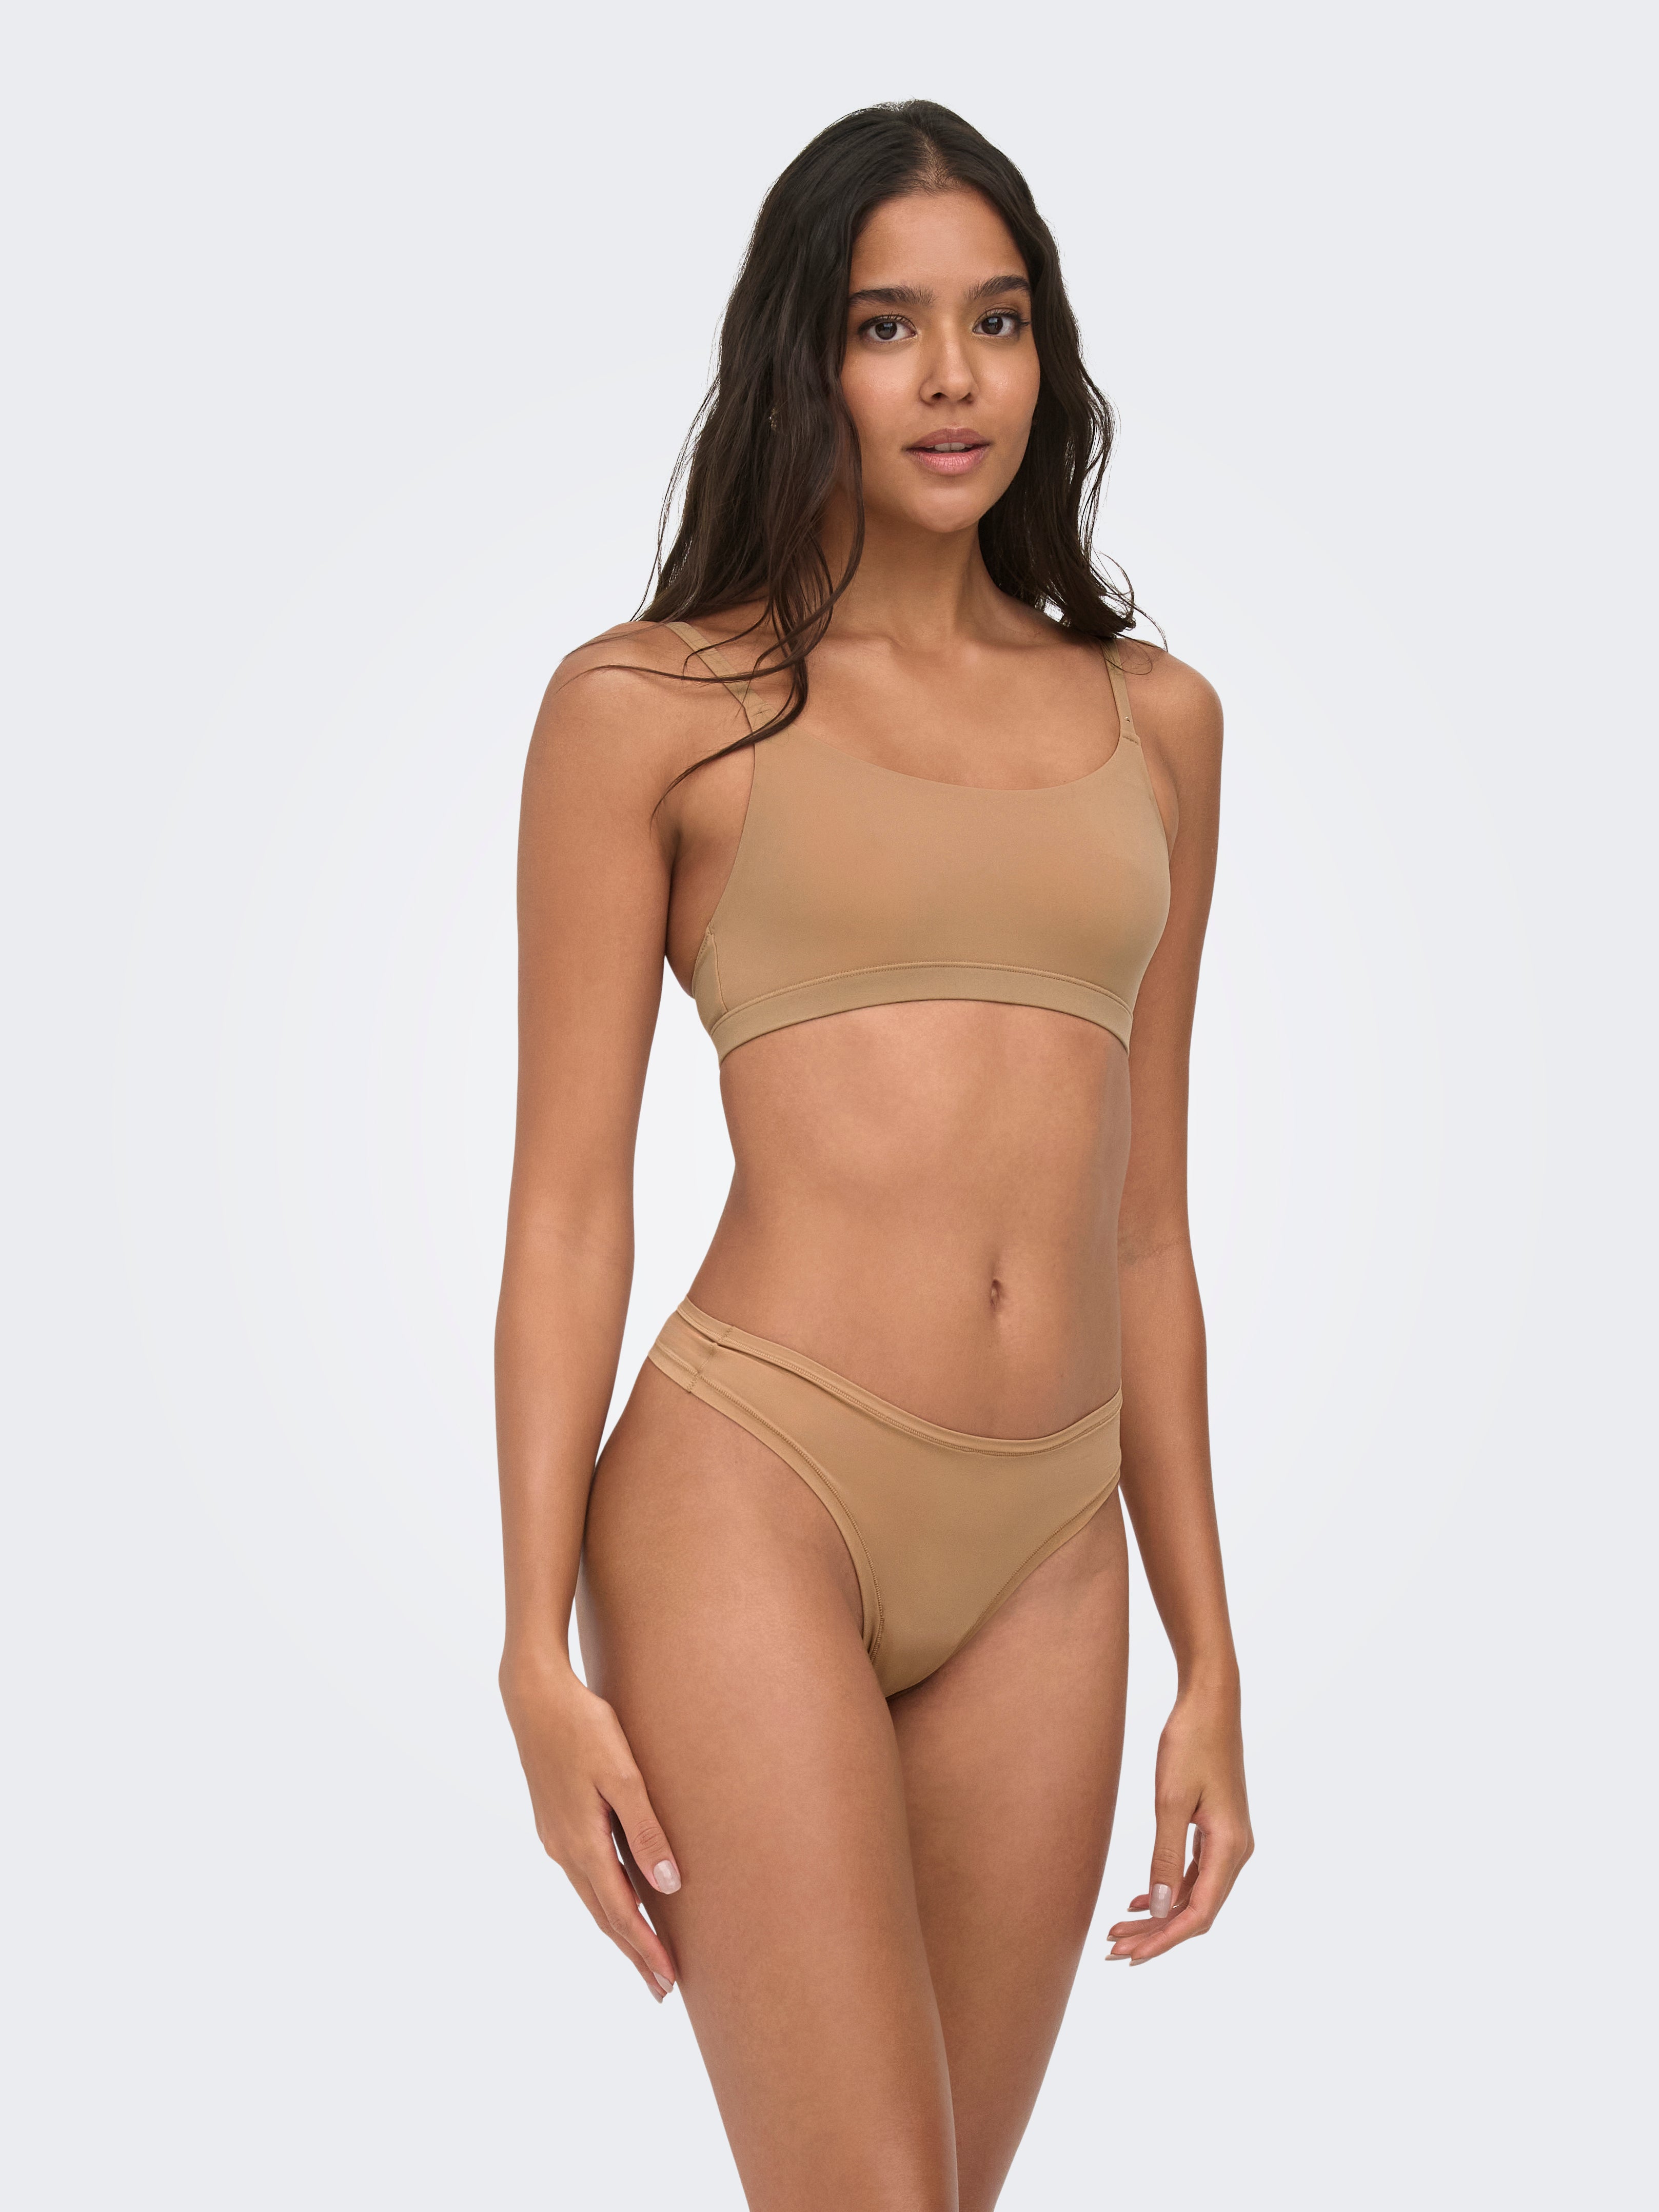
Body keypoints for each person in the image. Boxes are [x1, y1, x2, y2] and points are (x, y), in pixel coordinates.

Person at [495, 98, 1252, 2211]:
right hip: (755, 1487)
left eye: (994, 322)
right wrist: (530, 1646)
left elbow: (1147, 1230)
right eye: (883, 325)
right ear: (797, 359)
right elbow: (565, 1206)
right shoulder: (652, 706)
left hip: (1049, 1540)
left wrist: (1208, 1655)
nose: (948, 379)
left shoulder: (1158, 723)